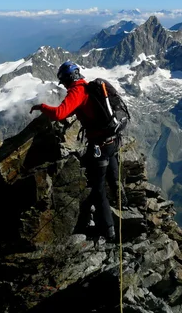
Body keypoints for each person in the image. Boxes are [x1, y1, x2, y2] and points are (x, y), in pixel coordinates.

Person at [30, 61, 125, 241]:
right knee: (112, 172)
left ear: (68, 78)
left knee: (97, 189)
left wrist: (42, 107)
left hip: (100, 145)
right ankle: (122, 200)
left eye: (64, 82)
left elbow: (60, 113)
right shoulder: (90, 87)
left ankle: (110, 230)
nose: (64, 86)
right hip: (113, 140)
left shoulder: (77, 90)